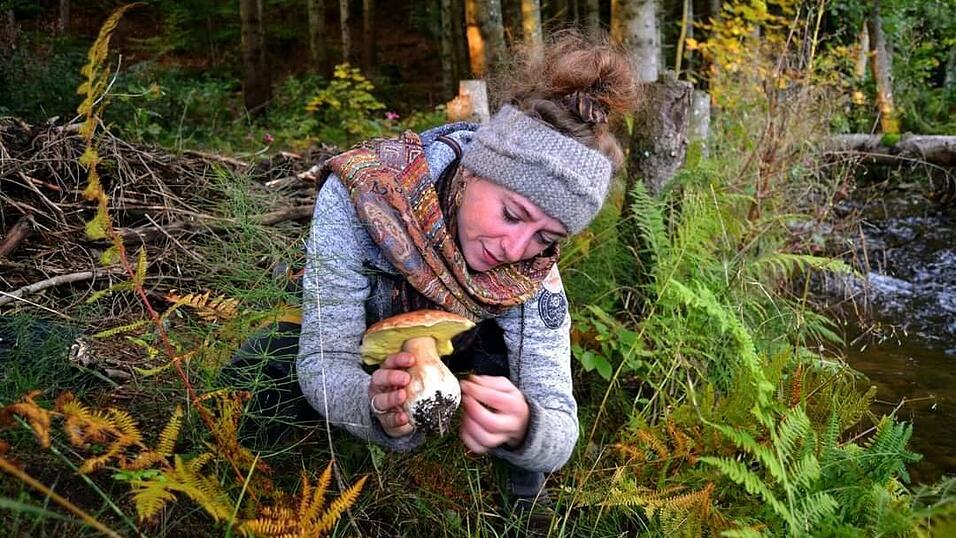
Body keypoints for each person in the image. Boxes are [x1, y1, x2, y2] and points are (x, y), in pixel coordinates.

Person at [295, 31, 636, 517]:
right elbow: (324, 359)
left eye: (546, 237)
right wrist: (373, 407)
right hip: (367, 350)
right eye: (513, 215)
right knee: (269, 360)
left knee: (510, 379)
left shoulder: (534, 272)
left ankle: (522, 512)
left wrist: (526, 427)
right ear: (475, 170)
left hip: (464, 359)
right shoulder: (365, 195)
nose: (516, 250)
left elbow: (559, 421)